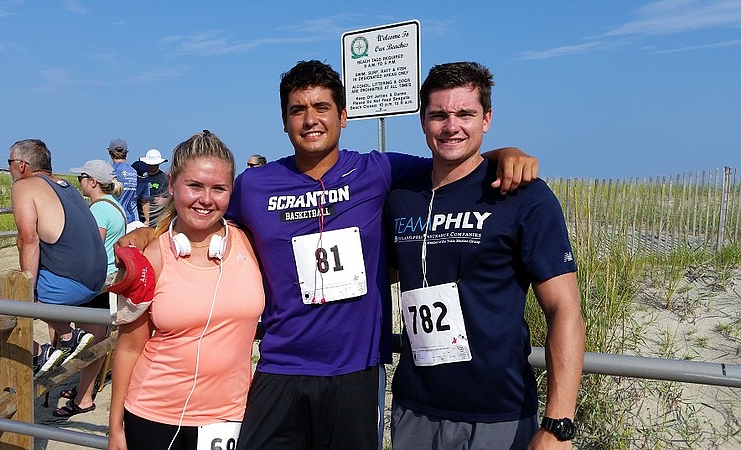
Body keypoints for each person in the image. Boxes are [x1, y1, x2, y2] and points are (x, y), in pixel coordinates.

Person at [119, 60, 537, 450]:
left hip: (355, 371)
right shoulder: (255, 185)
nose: (310, 118)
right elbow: (202, 214)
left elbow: (454, 161)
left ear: (344, 115)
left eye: (322, 106)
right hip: (280, 366)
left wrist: (505, 154)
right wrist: (144, 232)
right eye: (297, 109)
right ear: (284, 122)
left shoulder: (380, 170)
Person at [385, 62, 585, 450]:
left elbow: (565, 311)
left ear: (487, 119)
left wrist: (559, 424)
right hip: (414, 409)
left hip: (498, 415)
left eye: (465, 114)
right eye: (439, 114)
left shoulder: (522, 195)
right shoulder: (401, 196)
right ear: (423, 121)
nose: (451, 125)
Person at [108, 131, 265, 450]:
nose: (206, 199)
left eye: (218, 188)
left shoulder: (251, 244)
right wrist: (116, 430)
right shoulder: (152, 256)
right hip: (154, 416)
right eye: (194, 185)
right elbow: (129, 347)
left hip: (230, 419)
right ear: (171, 184)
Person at [0, 139, 107, 377]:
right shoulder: (66, 186)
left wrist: (25, 287)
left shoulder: (25, 186)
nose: (8, 167)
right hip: (95, 280)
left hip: (70, 284)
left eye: (9, 162)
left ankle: (38, 352)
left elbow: (28, 239)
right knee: (24, 292)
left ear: (21, 165)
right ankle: (69, 335)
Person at [53, 159, 127, 418]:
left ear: (92, 182)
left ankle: (83, 398)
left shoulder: (98, 211)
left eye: (81, 178)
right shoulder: (115, 206)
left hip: (95, 283)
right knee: (96, 340)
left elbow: (91, 247)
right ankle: (84, 390)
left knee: (88, 342)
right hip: (109, 282)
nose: (79, 183)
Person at [109, 138, 150, 225]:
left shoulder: (107, 172)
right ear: (126, 153)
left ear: (109, 152)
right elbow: (145, 199)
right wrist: (147, 220)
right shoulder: (137, 172)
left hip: (113, 220)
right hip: (133, 220)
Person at [136, 148, 169, 227]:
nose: (152, 167)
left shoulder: (164, 179)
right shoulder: (140, 177)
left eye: (154, 164)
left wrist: (165, 200)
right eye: (150, 164)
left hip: (156, 218)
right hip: (140, 218)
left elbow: (168, 198)